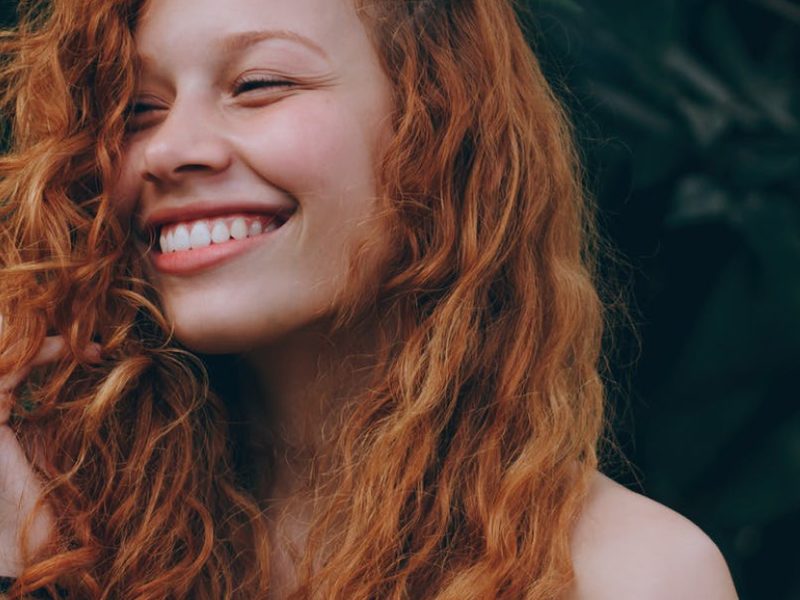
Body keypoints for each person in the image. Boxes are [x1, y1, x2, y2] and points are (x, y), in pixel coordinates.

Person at [0, 0, 739, 598]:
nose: (166, 150)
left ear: (441, 125)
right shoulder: (62, 520)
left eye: (258, 84)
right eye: (137, 109)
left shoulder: (630, 576)